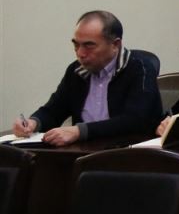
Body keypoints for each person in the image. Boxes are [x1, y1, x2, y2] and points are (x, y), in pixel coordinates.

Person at [15, 11, 161, 146]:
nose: (80, 53)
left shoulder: (140, 67)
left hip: (129, 152)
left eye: (89, 46)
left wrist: (80, 131)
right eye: (76, 45)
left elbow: (135, 120)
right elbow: (53, 111)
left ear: (115, 44)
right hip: (83, 152)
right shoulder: (76, 70)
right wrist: (33, 123)